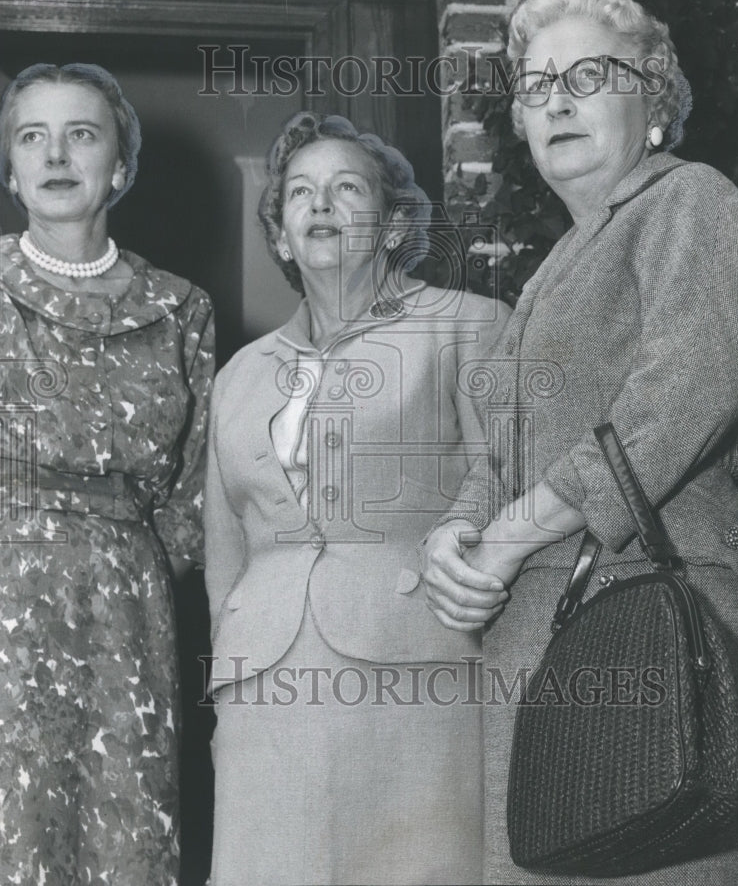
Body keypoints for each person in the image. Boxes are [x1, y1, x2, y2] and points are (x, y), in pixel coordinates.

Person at [423, 0, 738, 884]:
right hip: (536, 642)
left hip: (658, 621)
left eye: (589, 75)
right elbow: (497, 451)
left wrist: (508, 537)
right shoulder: (552, 270)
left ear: (654, 102)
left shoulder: (690, 202)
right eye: (536, 86)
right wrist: (455, 539)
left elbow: (686, 393)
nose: (557, 100)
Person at [0, 63, 214, 884]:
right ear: (10, 172)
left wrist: (131, 568)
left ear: (118, 166)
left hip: (124, 613)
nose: (56, 154)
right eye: (31, 137)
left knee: (118, 839)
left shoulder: (181, 308)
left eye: (81, 134)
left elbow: (193, 498)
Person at [203, 111, 510, 885]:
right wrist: (222, 685)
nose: (322, 205)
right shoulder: (239, 375)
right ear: (278, 236)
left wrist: (464, 537)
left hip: (413, 670)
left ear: (395, 222)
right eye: (300, 194)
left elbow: (507, 469)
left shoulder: (465, 327)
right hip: (263, 689)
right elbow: (223, 550)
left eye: (347, 188)